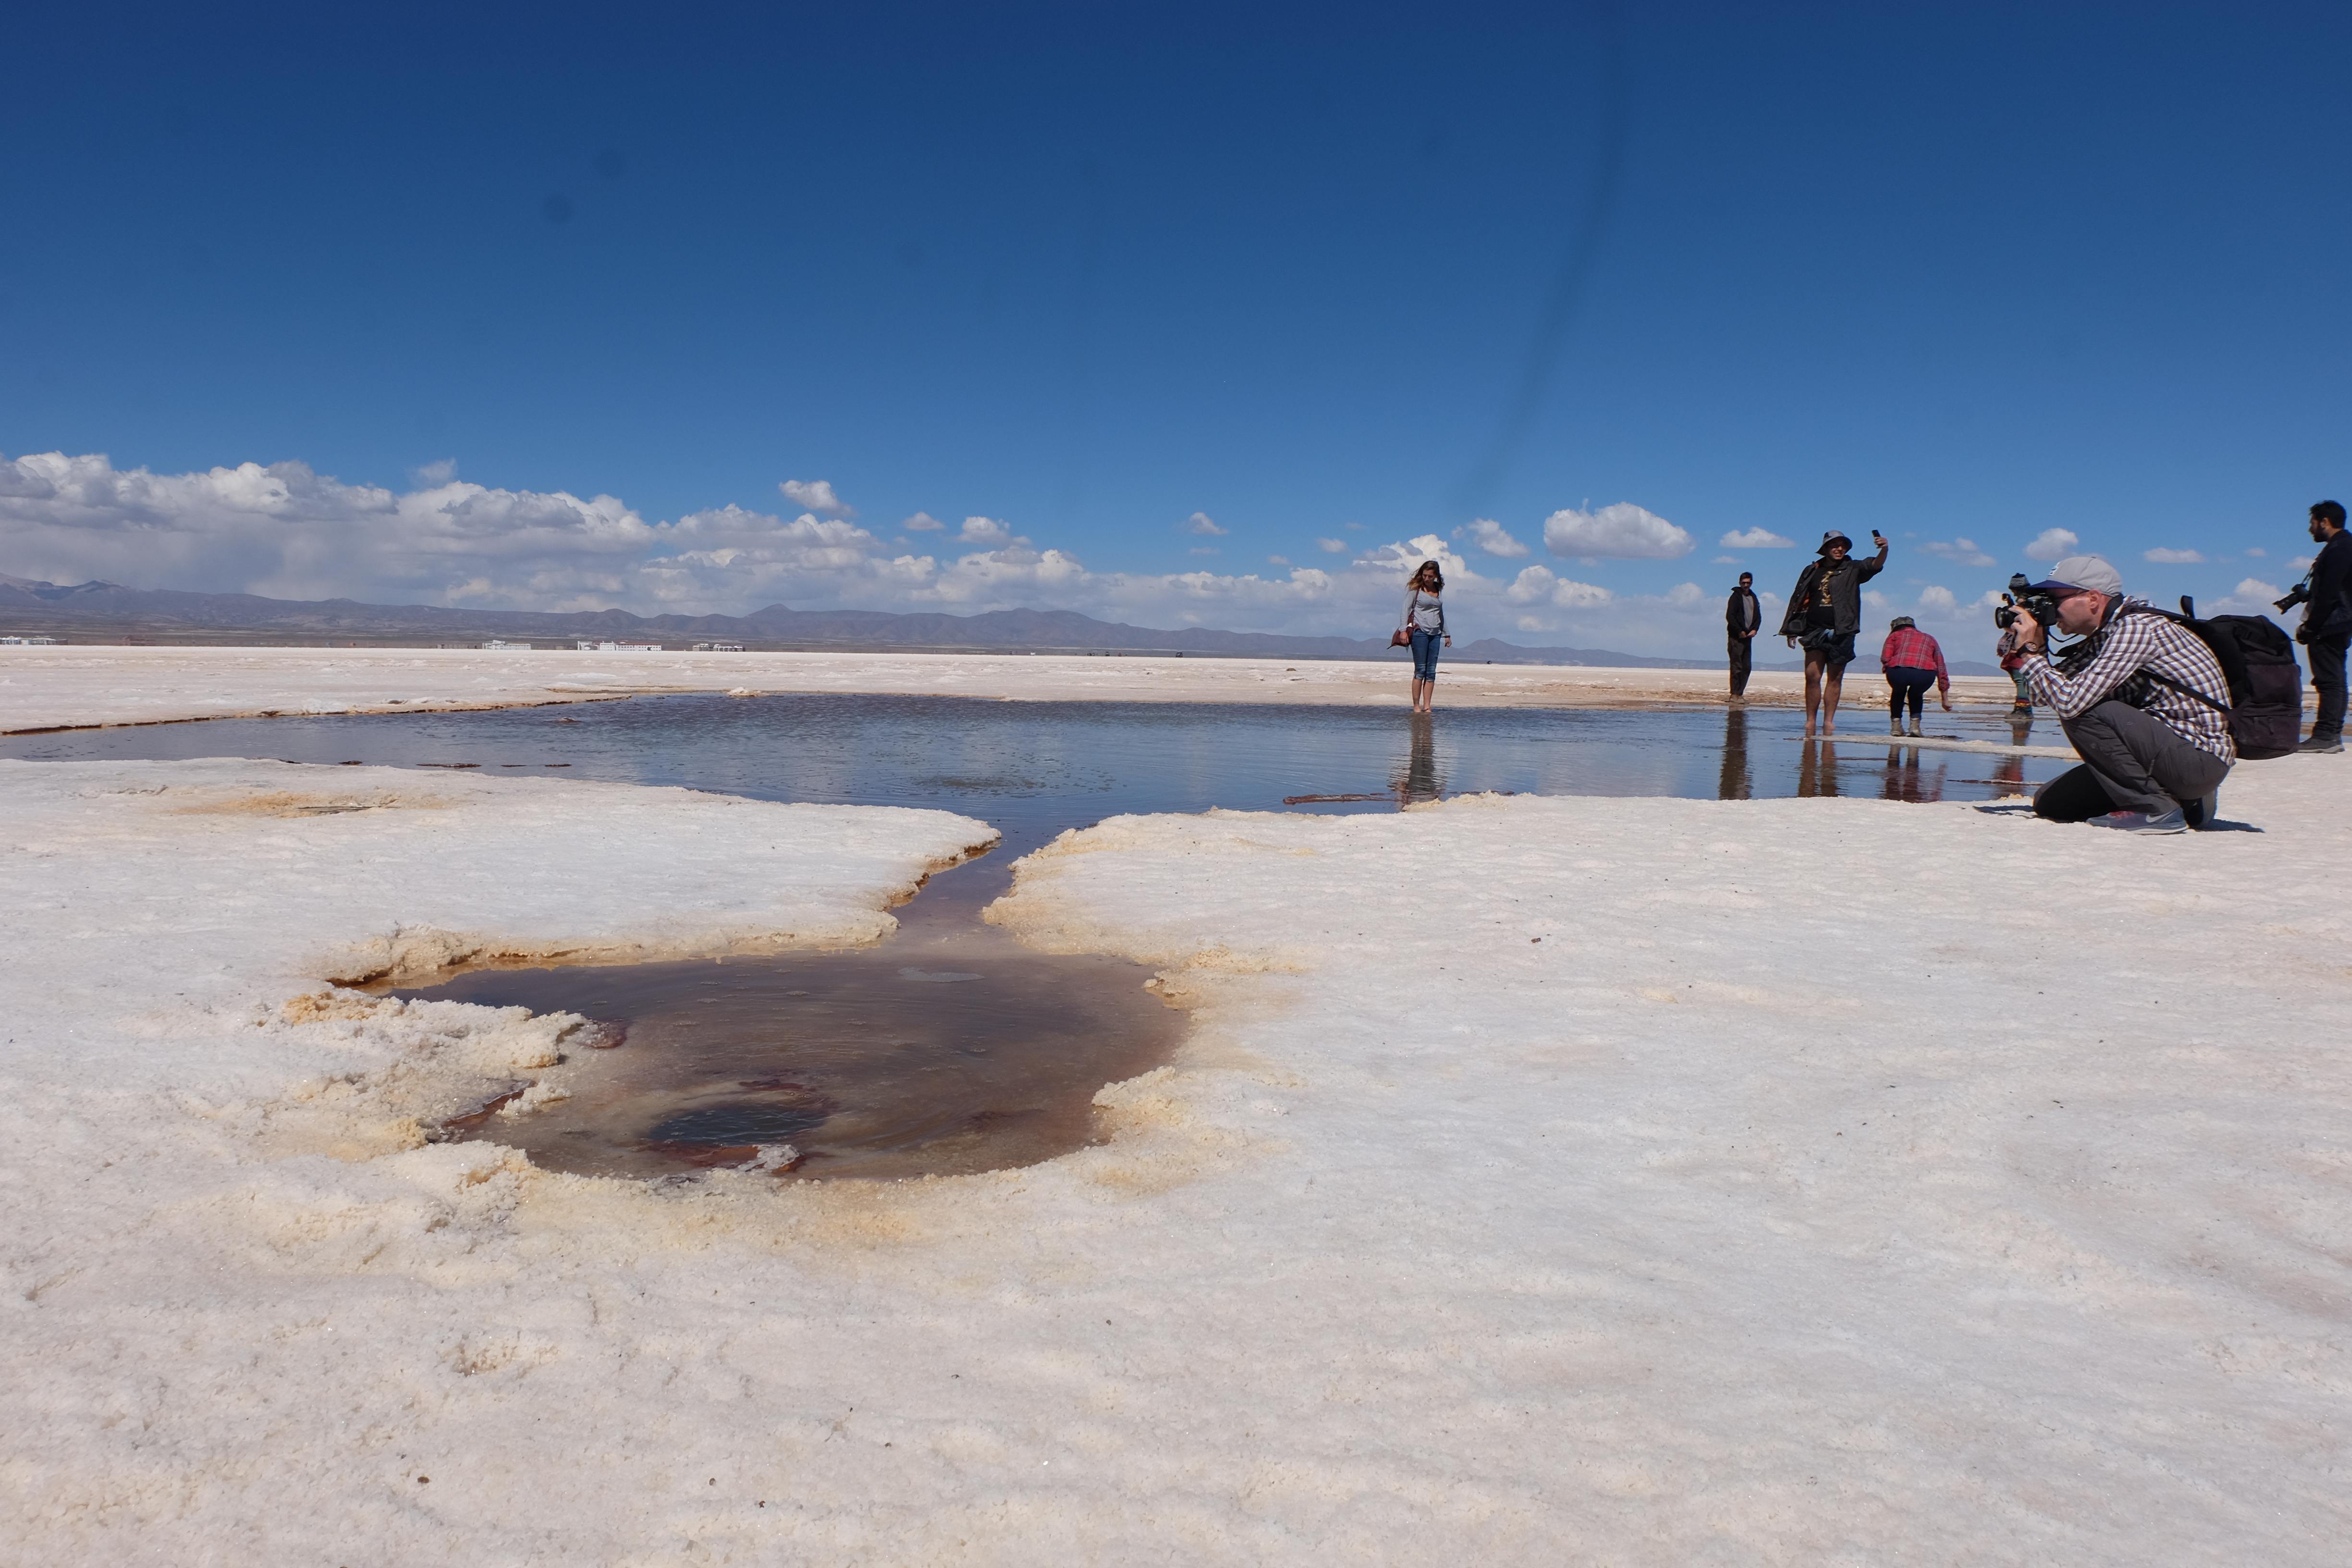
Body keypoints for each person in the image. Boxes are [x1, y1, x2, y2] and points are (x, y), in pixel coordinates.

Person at [1999, 553, 2232, 834]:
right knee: (2052, 803)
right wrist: (2037, 647)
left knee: (2084, 709)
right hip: (2163, 754)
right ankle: (2186, 803)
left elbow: (2069, 703)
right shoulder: (2106, 634)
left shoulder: (2137, 628)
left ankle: (2156, 810)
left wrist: (2029, 654)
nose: (2050, 609)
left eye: (2055, 600)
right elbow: (2043, 695)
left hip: (2197, 760)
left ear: (2093, 599)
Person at [1778, 529, 1888, 735]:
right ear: (1826, 548)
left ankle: (1829, 721)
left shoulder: (1853, 568)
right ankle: (1811, 721)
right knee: (1812, 675)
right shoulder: (1812, 570)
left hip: (1842, 630)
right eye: (1835, 545)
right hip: (1814, 630)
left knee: (1835, 678)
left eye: (1843, 546)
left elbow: (1875, 565)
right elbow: (1799, 599)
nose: (1839, 549)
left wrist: (1884, 549)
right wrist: (1791, 629)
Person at [2275, 499, 2350, 752]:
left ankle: (2327, 736)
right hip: (2337, 622)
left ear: (2325, 522)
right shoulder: (2341, 546)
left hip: (2331, 624)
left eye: (2313, 523)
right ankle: (2329, 736)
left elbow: (2330, 594)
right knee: (2333, 679)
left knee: (2330, 681)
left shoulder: (2340, 548)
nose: (2311, 529)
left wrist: (2311, 627)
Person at [1879, 615, 1951, 736]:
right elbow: (1941, 667)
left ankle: (1896, 728)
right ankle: (1915, 728)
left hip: (1898, 671)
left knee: (1898, 692)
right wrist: (1945, 699)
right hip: (1925, 674)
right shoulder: (1930, 638)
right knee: (1916, 695)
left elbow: (1886, 658)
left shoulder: (1894, 636)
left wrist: (1890, 671)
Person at [1399, 560, 1450, 714]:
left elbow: (1440, 613)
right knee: (1420, 670)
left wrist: (1446, 634)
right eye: (1425, 575)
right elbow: (1405, 610)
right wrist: (1403, 630)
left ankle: (1427, 706)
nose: (1427, 579)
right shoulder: (1416, 590)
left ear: (1436, 576)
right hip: (1420, 632)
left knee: (1431, 671)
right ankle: (1416, 706)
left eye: (1430, 576)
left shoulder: (1438, 589)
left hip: (1436, 634)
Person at [1725, 571, 1762, 698]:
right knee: (1737, 666)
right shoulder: (1735, 597)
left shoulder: (1753, 597)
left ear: (1751, 583)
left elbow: (1758, 616)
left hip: (1748, 637)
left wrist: (1755, 629)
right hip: (1736, 637)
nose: (1746, 585)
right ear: (1740, 583)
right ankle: (1734, 694)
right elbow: (1730, 616)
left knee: (1747, 667)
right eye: (1744, 583)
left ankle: (1740, 693)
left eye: (1748, 583)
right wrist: (1739, 631)